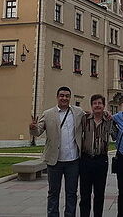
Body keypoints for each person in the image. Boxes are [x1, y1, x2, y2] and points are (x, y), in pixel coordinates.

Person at [29, 86, 84, 217]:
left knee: (71, 193)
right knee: (53, 192)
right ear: (57, 97)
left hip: (73, 161)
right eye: (62, 95)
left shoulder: (78, 112)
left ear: (70, 97)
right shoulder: (48, 114)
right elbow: (38, 132)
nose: (64, 98)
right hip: (55, 161)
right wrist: (32, 128)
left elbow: (91, 117)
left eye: (67, 96)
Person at [79, 94, 112, 217]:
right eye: (94, 103)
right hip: (86, 159)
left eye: (99, 103)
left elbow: (116, 135)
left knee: (99, 194)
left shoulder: (109, 120)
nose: (97, 106)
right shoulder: (84, 119)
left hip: (101, 160)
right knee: (84, 194)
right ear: (91, 106)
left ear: (104, 106)